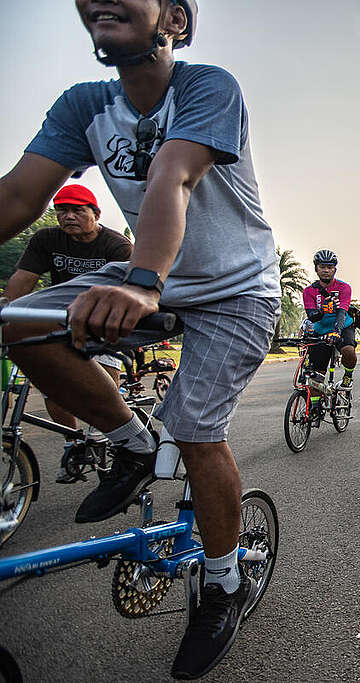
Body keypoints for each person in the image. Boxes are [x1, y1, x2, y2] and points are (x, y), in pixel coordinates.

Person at [0, 1, 283, 676]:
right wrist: (142, 278)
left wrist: (143, 279)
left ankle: (223, 582)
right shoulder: (84, 106)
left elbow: (173, 174)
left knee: (194, 424)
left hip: (236, 290)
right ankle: (131, 439)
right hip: (150, 275)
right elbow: (15, 199)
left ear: (176, 21)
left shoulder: (209, 87)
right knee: (20, 326)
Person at [2, 183, 133, 483]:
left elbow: (129, 291)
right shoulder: (46, 239)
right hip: (58, 318)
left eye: (77, 210)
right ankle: (73, 441)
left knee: (103, 373)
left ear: (95, 214)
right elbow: (22, 280)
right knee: (53, 386)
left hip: (102, 320)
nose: (68, 216)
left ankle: (105, 432)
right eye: (62, 210)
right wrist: (7, 314)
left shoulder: (117, 246)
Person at [301, 250, 357, 399]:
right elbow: (312, 317)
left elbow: (341, 312)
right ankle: (314, 409)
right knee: (314, 379)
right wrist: (322, 309)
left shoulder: (344, 288)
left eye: (330, 267)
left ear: (335, 269)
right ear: (316, 269)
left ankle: (348, 376)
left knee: (349, 352)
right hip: (321, 331)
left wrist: (337, 331)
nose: (326, 270)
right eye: (322, 267)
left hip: (343, 327)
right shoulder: (308, 291)